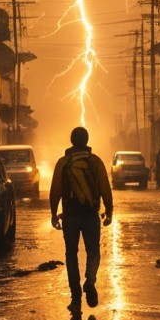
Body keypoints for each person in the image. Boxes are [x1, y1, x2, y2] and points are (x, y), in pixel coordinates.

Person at [50, 126, 113, 310]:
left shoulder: (63, 163)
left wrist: (54, 214)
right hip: (91, 216)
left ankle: (76, 297)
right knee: (93, 251)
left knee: (71, 255)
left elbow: (55, 191)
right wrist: (109, 210)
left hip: (70, 217)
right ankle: (90, 281)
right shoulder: (95, 162)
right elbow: (105, 188)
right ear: (87, 140)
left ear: (72, 141)